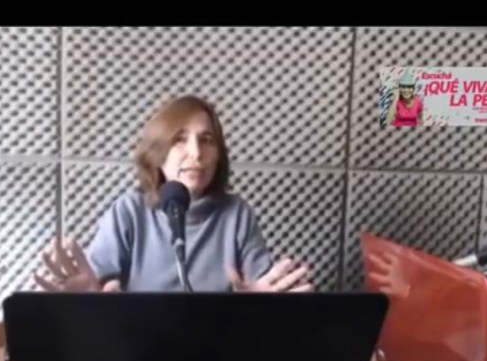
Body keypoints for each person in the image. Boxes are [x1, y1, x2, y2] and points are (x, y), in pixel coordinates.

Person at [34, 94, 312, 293]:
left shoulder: (237, 214)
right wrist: (88, 298)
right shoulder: (129, 211)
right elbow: (96, 292)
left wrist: (261, 305)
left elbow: (263, 291)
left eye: (207, 140)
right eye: (180, 140)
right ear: (159, 153)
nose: (196, 153)